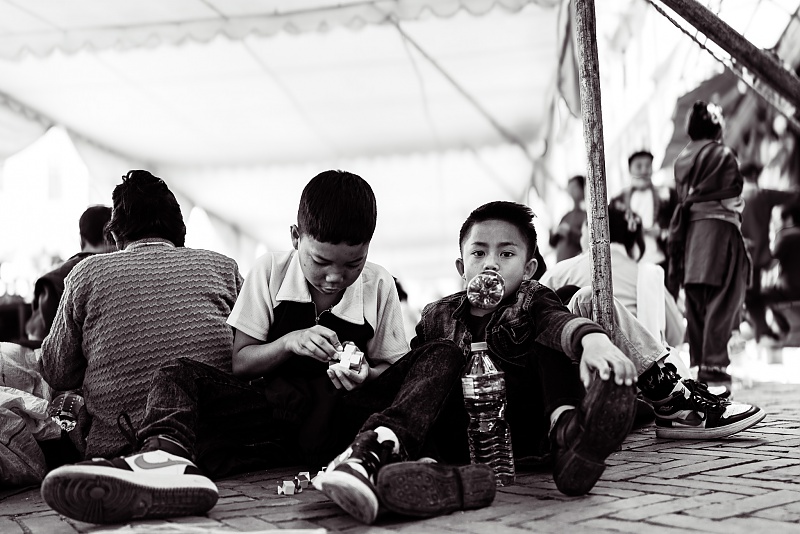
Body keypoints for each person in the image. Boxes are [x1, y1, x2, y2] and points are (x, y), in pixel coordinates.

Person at [41, 170, 490, 526]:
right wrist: (289, 342)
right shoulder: (269, 271)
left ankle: (372, 454)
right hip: (275, 415)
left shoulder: (379, 284)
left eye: (353, 263)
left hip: (347, 420)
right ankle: (166, 458)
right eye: (320, 261)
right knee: (178, 372)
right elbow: (241, 363)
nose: (335, 277)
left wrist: (363, 375)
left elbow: (390, 371)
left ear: (369, 248)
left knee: (444, 354)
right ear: (296, 237)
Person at [414, 200, 640, 492]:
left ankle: (568, 432)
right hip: (467, 441)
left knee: (545, 335)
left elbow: (555, 319)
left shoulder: (531, 298)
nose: (491, 263)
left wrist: (591, 339)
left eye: (506, 254)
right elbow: (415, 379)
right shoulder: (436, 315)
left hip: (531, 425)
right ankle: (428, 466)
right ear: (462, 267)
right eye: (478, 253)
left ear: (528, 269)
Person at [39, 170, 242, 460]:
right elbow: (250, 350)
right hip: (218, 444)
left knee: (62, 403)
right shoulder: (223, 268)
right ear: (180, 230)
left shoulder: (86, 274)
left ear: (115, 235)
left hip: (121, 447)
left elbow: (56, 371)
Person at [667, 101, 751, 386]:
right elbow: (733, 196)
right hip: (719, 231)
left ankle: (703, 363)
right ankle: (714, 367)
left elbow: (685, 198)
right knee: (723, 296)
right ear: (717, 125)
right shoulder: (723, 154)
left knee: (697, 298)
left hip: (691, 235)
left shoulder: (681, 158)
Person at [540, 203, 685, 348]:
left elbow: (533, 311)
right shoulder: (648, 276)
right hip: (638, 359)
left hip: (581, 356)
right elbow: (677, 334)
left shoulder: (562, 272)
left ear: (590, 228)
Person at [25, 205, 114, 344]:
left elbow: (37, 338)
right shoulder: (127, 273)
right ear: (112, 235)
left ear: (81, 239)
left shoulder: (54, 279)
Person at [740, 162, 799, 341]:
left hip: (740, 257)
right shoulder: (761, 195)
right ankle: (763, 333)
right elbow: (792, 196)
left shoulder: (735, 198)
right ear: (754, 175)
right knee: (755, 297)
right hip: (757, 257)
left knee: (750, 298)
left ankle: (762, 333)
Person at [611, 150, 678, 276]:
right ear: (630, 169)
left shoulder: (666, 195)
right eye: (639, 166)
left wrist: (662, 232)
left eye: (648, 166)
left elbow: (676, 223)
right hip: (631, 262)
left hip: (660, 258)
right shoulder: (619, 200)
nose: (644, 170)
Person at [752, 201, 800, 336]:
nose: (774, 224)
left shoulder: (785, 236)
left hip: (790, 291)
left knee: (753, 296)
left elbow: (769, 264)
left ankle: (768, 334)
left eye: (776, 220)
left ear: (789, 219)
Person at [549, 175, 587, 262]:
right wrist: (554, 232)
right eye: (570, 188)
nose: (571, 191)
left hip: (575, 264)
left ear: (583, 189)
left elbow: (588, 240)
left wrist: (569, 232)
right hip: (560, 264)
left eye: (575, 187)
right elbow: (552, 242)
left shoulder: (586, 215)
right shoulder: (566, 216)